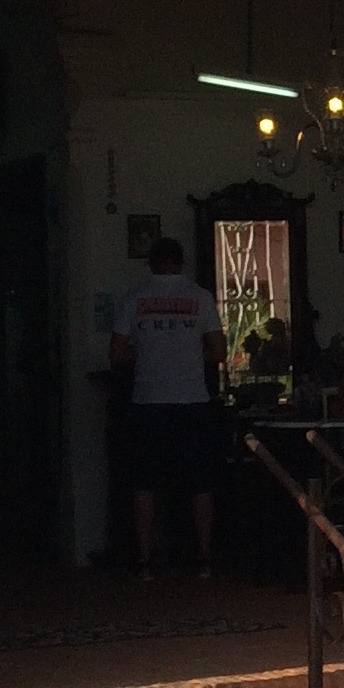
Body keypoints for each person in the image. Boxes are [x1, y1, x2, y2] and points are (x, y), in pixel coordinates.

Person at [111, 237, 226, 578]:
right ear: (181, 262)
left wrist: (147, 354)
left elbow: (116, 353)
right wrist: (189, 354)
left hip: (147, 401)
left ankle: (145, 560)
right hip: (193, 400)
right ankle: (204, 558)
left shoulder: (134, 297)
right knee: (200, 483)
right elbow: (219, 352)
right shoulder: (200, 297)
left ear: (151, 263)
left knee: (144, 482)